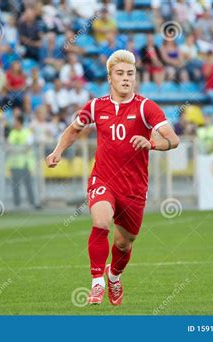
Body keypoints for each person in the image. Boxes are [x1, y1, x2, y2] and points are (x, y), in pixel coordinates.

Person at [46, 50, 179, 306]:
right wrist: (57, 151)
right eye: (120, 74)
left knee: (123, 243)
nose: (126, 78)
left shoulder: (145, 107)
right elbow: (74, 129)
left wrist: (151, 144)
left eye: (130, 74)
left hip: (134, 187)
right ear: (110, 78)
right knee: (101, 223)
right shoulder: (96, 106)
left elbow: (173, 140)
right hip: (103, 179)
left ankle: (114, 275)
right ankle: (97, 283)